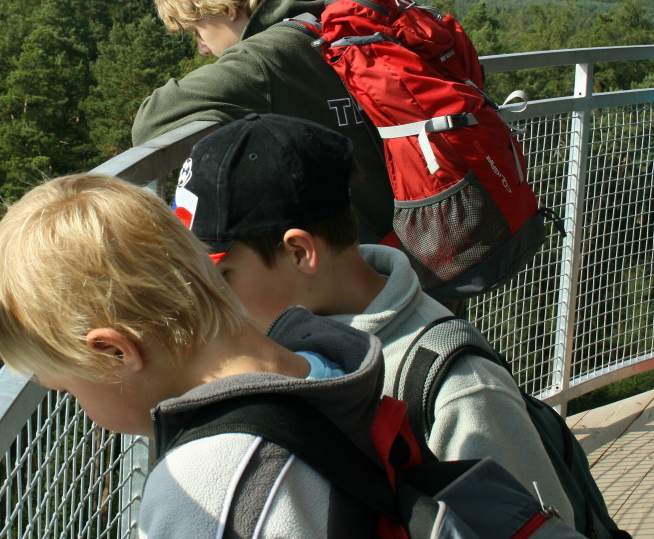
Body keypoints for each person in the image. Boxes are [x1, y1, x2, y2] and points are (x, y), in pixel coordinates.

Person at [172, 112, 575, 523]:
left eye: (221, 275)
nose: (209, 299)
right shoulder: (287, 332)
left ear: (300, 253)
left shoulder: (458, 388)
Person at [0, 173, 393, 538]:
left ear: (115, 352)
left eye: (68, 390)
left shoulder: (205, 491)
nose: (79, 404)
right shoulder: (322, 363)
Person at [131, 0, 396, 243]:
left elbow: (150, 122)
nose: (202, 49)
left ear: (226, 7)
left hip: (365, 263)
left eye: (198, 31)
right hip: (419, 236)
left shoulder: (264, 59)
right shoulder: (323, 22)